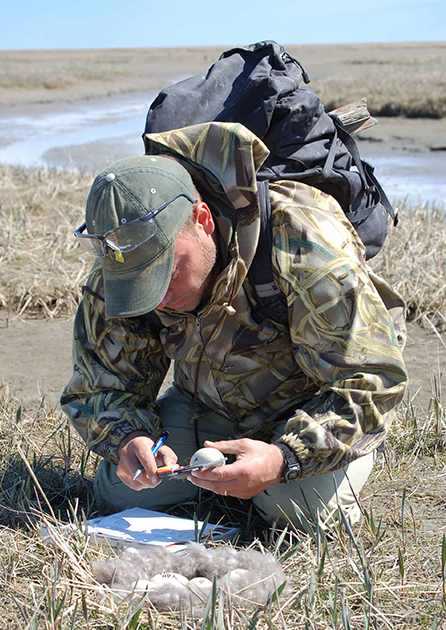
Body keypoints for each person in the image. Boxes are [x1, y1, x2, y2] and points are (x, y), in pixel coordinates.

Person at [61, 121, 408, 529]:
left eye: (168, 273)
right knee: (123, 492)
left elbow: (371, 379)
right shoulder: (121, 263)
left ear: (202, 219)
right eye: (141, 284)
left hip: (312, 405)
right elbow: (100, 387)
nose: (156, 297)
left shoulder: (300, 235)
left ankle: (343, 457)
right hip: (205, 404)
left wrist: (284, 459)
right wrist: (128, 438)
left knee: (298, 511)